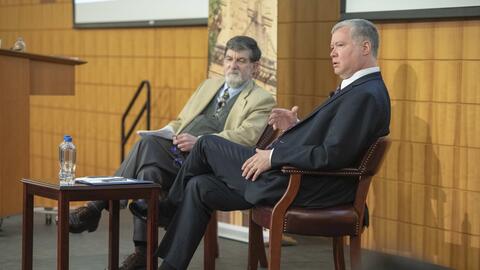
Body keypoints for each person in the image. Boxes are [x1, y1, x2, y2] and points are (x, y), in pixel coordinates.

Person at [137, 18, 391, 270]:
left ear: (365, 48)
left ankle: (168, 207)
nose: (332, 53)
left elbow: (332, 156)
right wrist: (296, 125)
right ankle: (170, 266)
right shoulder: (358, 90)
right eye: (332, 47)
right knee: (199, 185)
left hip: (299, 184)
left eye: (340, 45)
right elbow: (334, 143)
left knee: (206, 145)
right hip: (293, 177)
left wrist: (272, 158)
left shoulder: (364, 95)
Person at [68, 35, 276, 270]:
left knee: (146, 149)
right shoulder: (208, 85)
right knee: (149, 170)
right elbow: (180, 120)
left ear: (255, 67)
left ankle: (96, 208)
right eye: (229, 59)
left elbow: (245, 136)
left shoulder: (262, 99)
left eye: (241, 60)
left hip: (208, 163)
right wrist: (164, 132)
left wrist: (198, 142)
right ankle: (143, 255)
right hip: (176, 152)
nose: (232, 65)